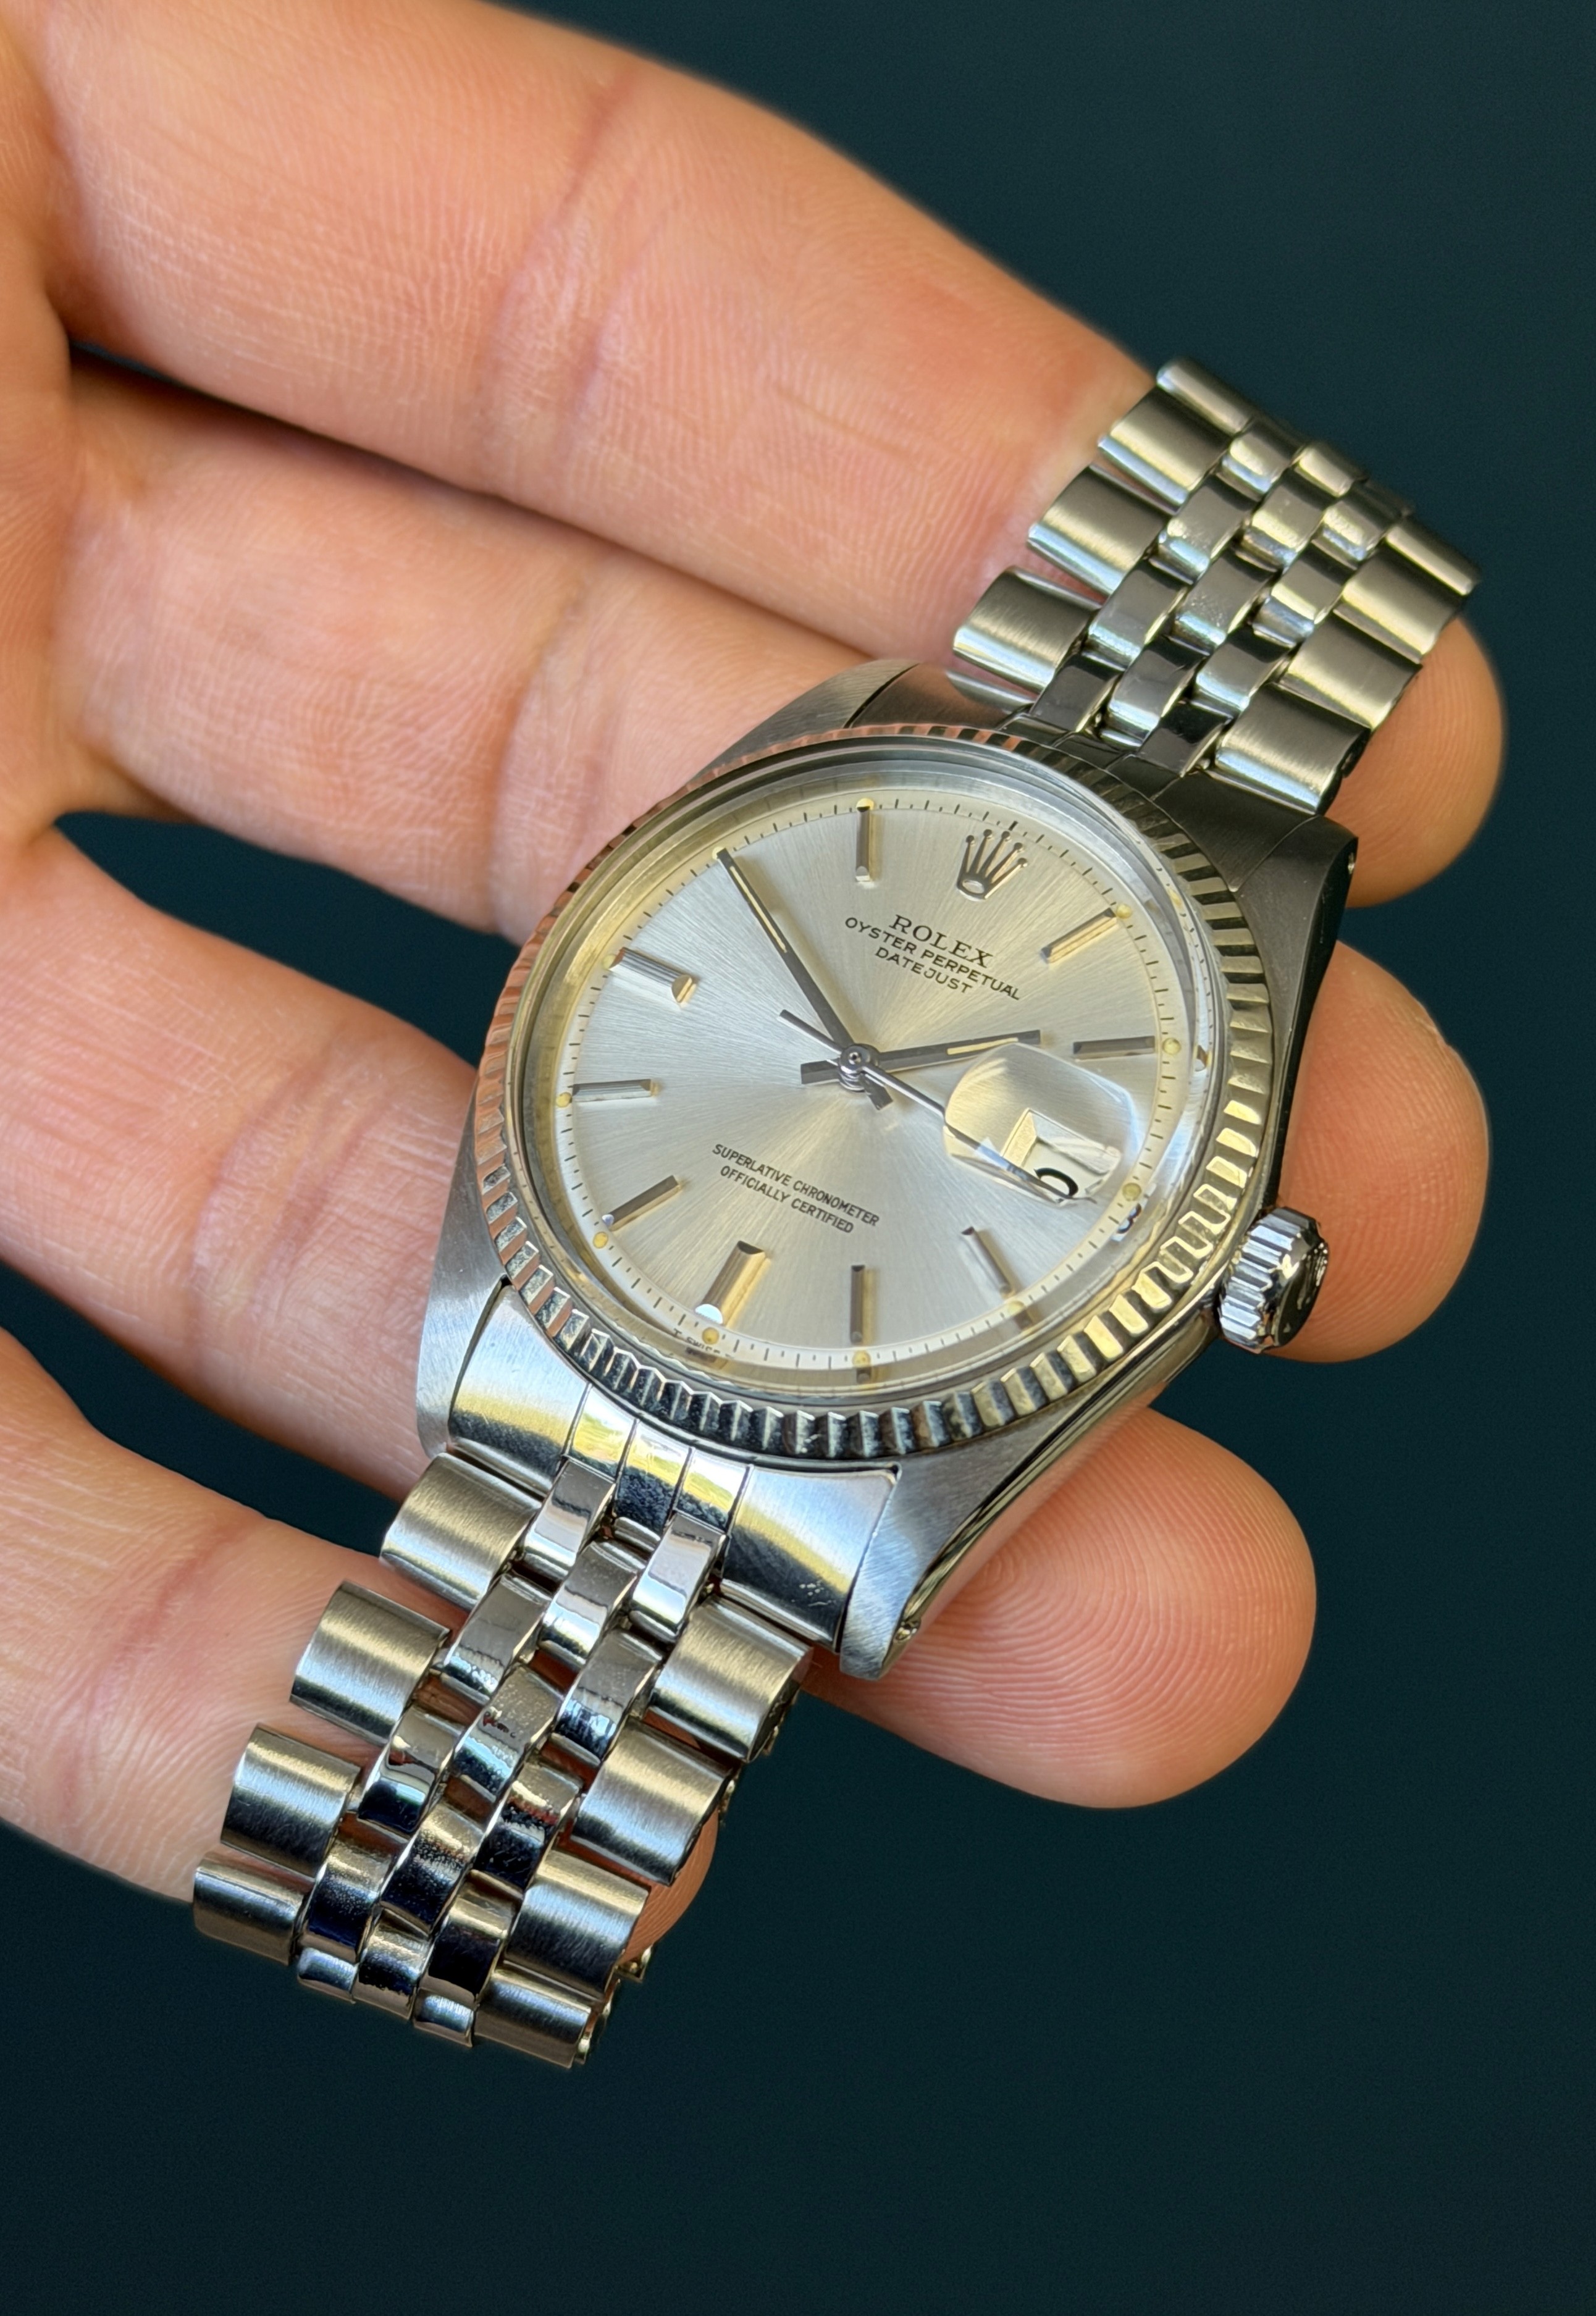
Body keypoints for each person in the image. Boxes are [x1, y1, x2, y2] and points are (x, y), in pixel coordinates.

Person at [0, 0, 1499, 1947]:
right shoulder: (842, 764)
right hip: (609, 1261)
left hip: (804, 1381)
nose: (872, 1073)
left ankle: (456, 1922)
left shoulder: (1203, 987)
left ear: (1237, 1260)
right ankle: (451, 1914)